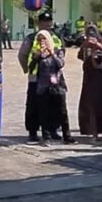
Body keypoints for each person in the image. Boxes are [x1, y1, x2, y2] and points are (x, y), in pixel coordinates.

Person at [18, 11, 70, 144]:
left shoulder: (56, 37)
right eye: (44, 22)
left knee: (54, 105)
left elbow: (62, 52)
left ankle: (53, 130)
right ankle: (33, 131)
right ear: (38, 23)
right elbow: (22, 55)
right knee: (33, 106)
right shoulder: (31, 38)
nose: (47, 24)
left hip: (53, 77)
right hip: (36, 78)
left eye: (49, 22)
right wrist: (28, 70)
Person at [32, 30, 73, 146]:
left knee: (62, 112)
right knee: (44, 112)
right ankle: (46, 137)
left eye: (44, 39)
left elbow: (60, 64)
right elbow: (31, 69)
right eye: (40, 40)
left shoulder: (57, 51)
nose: (42, 42)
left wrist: (52, 53)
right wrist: (36, 57)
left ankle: (67, 136)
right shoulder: (37, 53)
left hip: (57, 85)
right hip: (43, 86)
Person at [78, 25, 102, 142]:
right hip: (89, 78)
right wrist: (85, 46)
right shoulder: (85, 43)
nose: (91, 35)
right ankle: (93, 132)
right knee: (91, 107)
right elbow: (81, 56)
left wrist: (97, 45)